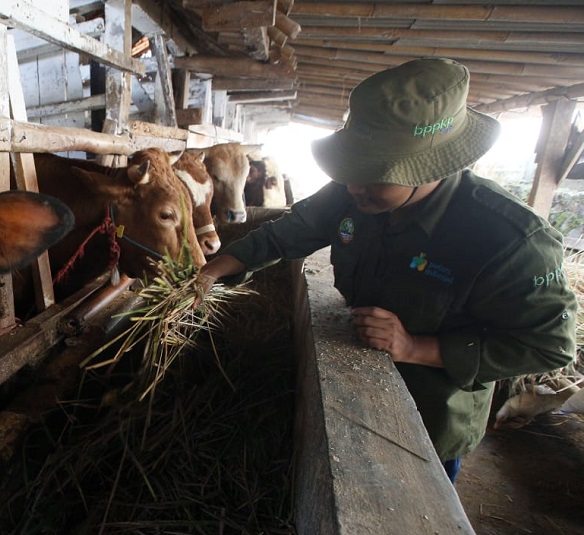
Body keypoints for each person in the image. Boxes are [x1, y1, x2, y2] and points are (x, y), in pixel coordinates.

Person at [195, 58, 578, 483]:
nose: (355, 187)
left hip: (426, 422)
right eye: (351, 170)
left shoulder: (510, 239)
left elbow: (549, 347)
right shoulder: (358, 190)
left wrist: (415, 346)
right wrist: (214, 270)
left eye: (376, 175)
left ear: (429, 167)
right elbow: (289, 233)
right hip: (345, 383)